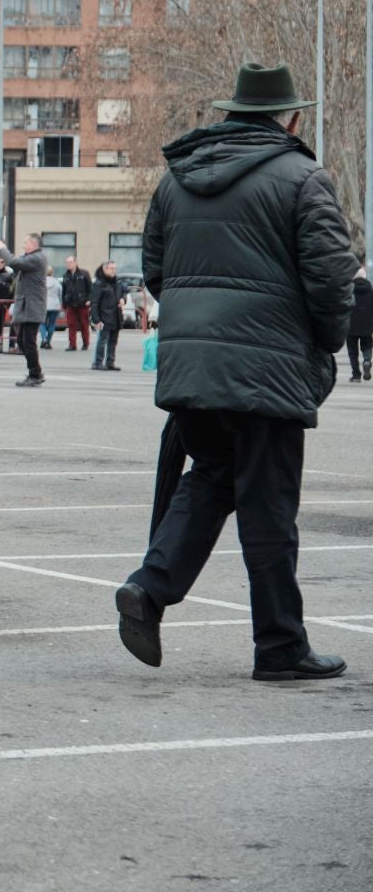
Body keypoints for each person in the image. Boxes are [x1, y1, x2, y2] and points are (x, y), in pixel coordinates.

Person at [116, 63, 357, 683]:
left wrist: (201, 328)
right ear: (290, 118)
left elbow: (156, 273)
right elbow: (332, 280)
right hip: (269, 366)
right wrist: (322, 347)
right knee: (268, 505)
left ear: (232, 113)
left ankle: (151, 585)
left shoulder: (176, 180)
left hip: (195, 364)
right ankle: (279, 647)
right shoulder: (303, 177)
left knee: (214, 476)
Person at [10, 234, 49, 386]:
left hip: (33, 308)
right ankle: (36, 372)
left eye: (26, 242)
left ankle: (35, 374)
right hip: (28, 307)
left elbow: (14, 262)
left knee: (29, 342)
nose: (23, 245)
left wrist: (2, 250)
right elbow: (17, 266)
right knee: (22, 341)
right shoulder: (31, 258)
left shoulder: (36, 258)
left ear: (33, 244)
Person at [90, 261, 126, 371]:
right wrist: (96, 319)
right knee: (102, 340)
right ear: (105, 269)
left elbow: (123, 293)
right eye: (111, 268)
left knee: (113, 341)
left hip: (116, 316)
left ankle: (110, 362)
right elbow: (94, 303)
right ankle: (98, 362)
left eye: (115, 268)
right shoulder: (99, 283)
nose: (113, 270)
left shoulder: (117, 282)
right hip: (104, 316)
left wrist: (123, 299)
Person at [61, 255, 92, 353]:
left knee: (84, 324)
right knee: (71, 324)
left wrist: (89, 299)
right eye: (67, 263)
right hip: (70, 303)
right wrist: (64, 303)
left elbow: (90, 288)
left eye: (70, 262)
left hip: (83, 303)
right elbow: (64, 290)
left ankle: (86, 343)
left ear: (75, 262)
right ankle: (72, 344)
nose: (68, 264)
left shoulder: (84, 273)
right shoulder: (66, 275)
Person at [347, 268, 371, 383]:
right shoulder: (371, 290)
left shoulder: (348, 290)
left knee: (352, 351)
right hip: (367, 325)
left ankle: (356, 375)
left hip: (350, 325)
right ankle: (367, 360)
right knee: (367, 346)